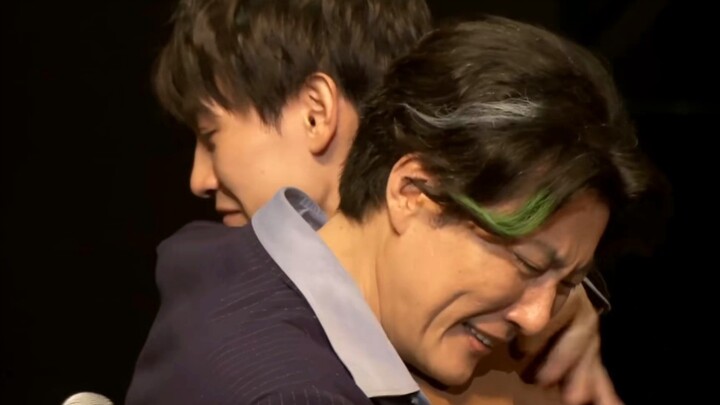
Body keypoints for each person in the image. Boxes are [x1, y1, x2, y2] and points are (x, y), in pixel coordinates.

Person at [127, 1, 649, 404]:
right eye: (529, 263)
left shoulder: (212, 264)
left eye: (567, 285)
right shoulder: (294, 388)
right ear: (410, 191)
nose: (537, 318)